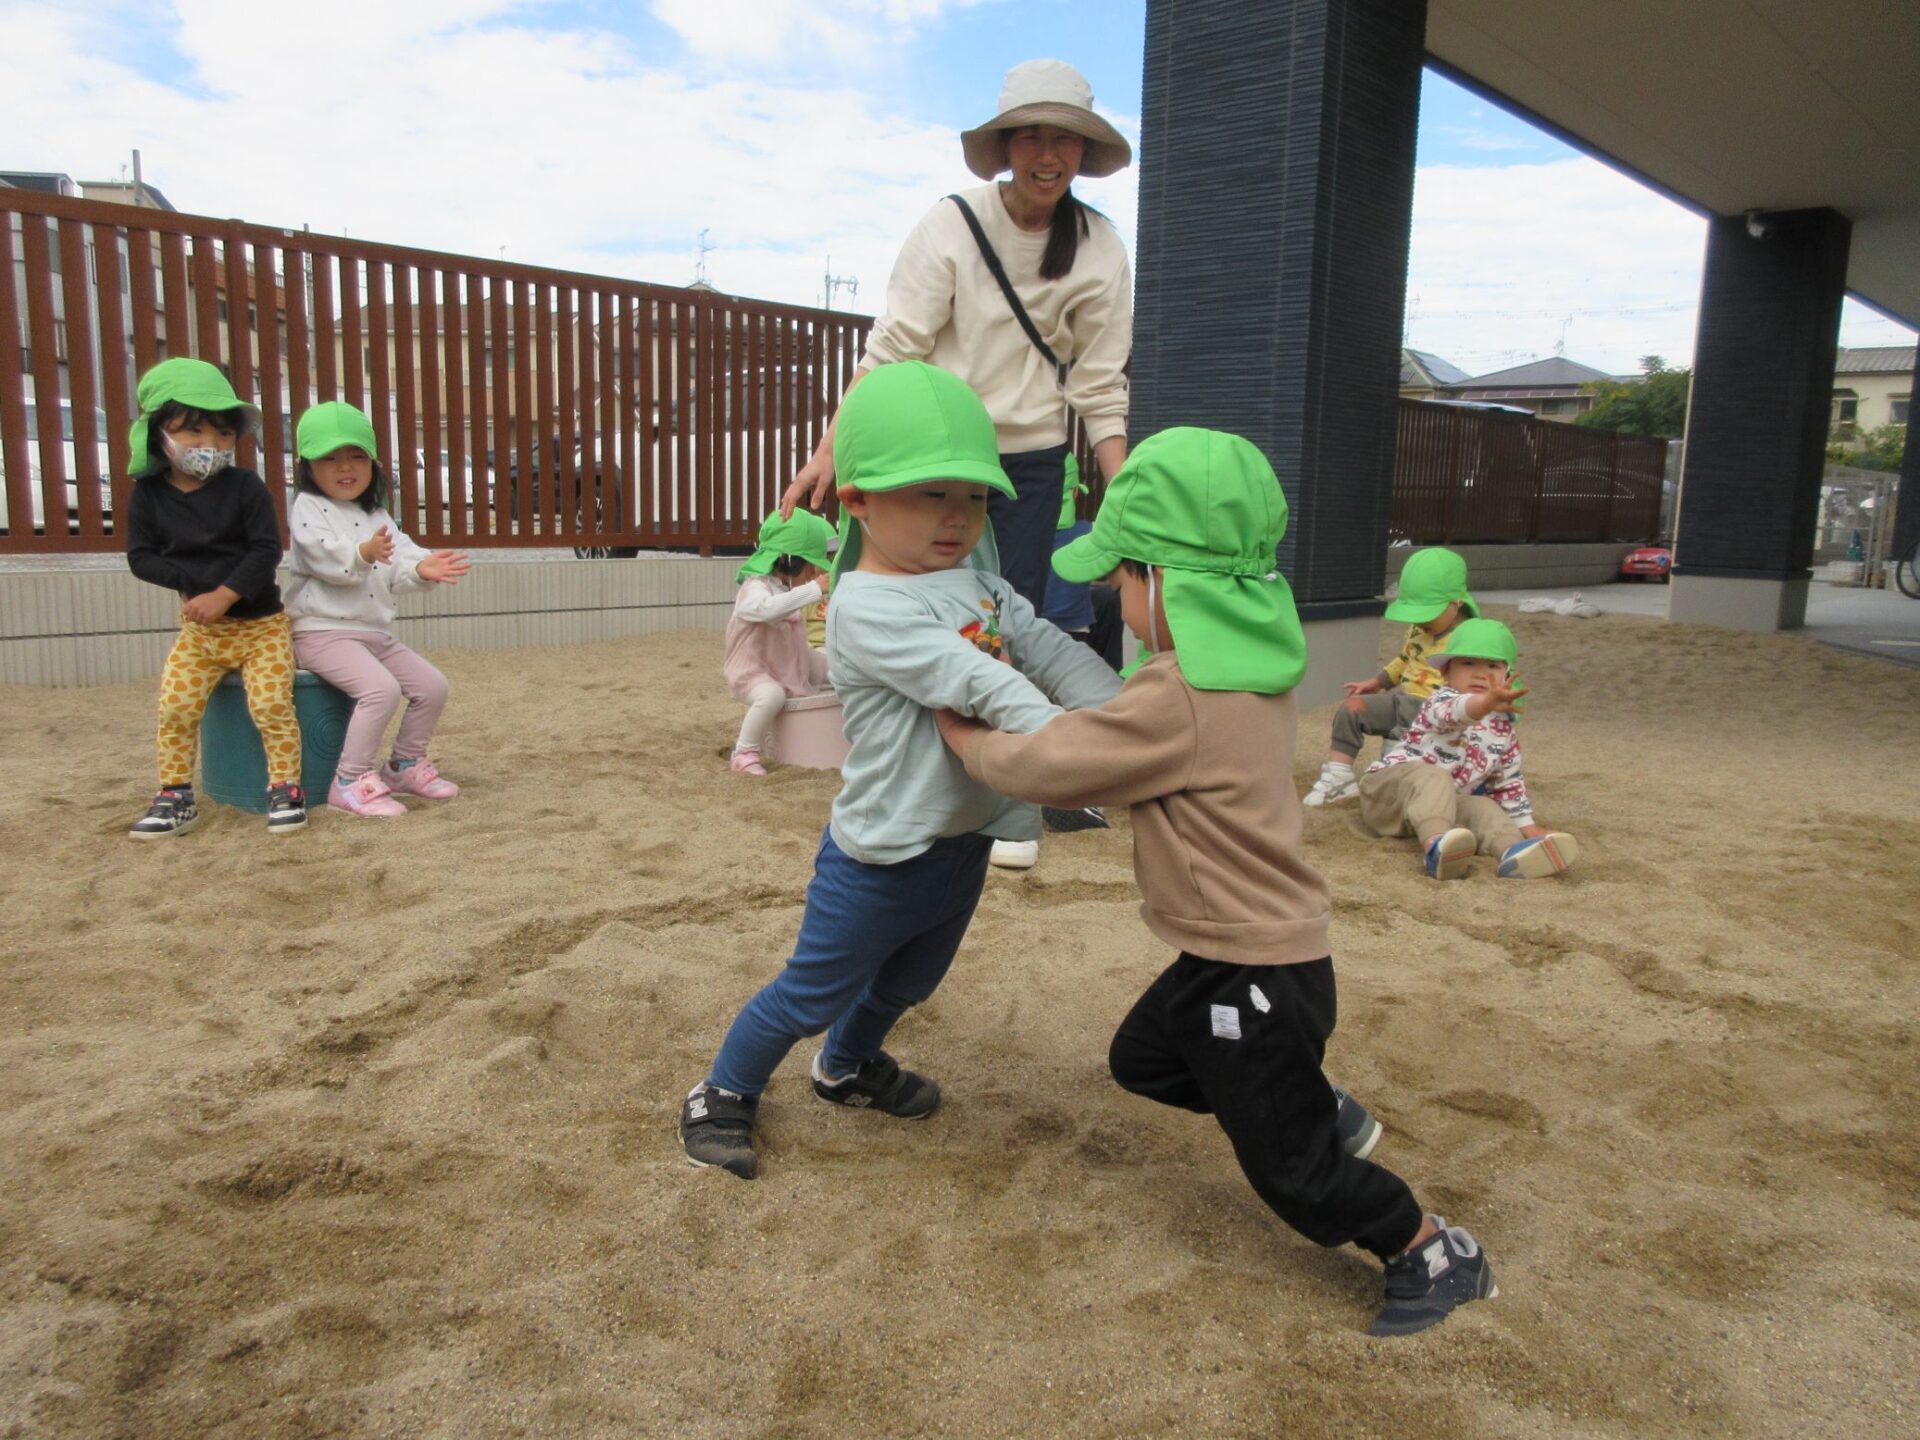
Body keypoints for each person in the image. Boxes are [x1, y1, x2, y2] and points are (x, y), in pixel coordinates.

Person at [933, 428, 1497, 1337]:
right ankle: (1305, 1101)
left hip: (1255, 969)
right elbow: (1131, 721)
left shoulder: (1181, 696)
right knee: (1145, 1059)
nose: (1115, 599)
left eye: (1123, 580)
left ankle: (1427, 1248)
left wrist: (965, 733)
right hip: (1240, 951)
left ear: (1165, 582)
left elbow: (1053, 767)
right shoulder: (1246, 666)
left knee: (1293, 1171)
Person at [678, 361, 1122, 1181]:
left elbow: (1051, 651)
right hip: (881, 852)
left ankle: (844, 1067)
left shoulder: (982, 585)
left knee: (909, 982)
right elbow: (978, 680)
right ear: (857, 502)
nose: (956, 516)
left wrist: (1125, 713)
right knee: (810, 992)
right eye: (929, 494)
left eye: (974, 496)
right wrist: (1085, 749)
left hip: (964, 839)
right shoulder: (865, 605)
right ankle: (723, 1091)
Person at [781, 59, 1133, 867]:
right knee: (905, 614)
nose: (1048, 154)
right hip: (930, 456)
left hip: (1029, 460)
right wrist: (832, 447)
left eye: (1066, 140)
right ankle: (913, 785)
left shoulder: (1099, 245)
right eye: (1031, 136)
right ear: (1005, 145)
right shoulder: (953, 223)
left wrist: (1127, 496)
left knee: (1006, 621)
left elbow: (1100, 385)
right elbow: (893, 349)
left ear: (1084, 153)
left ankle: (1018, 793)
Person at [123, 358, 306, 839]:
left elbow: (266, 550)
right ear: (160, 433)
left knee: (270, 705)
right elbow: (141, 557)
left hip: (261, 628)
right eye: (194, 430)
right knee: (176, 707)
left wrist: (225, 594)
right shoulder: (149, 495)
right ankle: (175, 796)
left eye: (224, 433)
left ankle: (285, 789)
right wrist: (189, 583)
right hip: (201, 634)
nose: (212, 444)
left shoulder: (245, 486)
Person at [283, 402, 471, 819]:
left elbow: (400, 558)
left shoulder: (375, 513)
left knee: (432, 686)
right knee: (380, 690)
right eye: (329, 458)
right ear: (307, 467)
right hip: (321, 632)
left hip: (373, 635)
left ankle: (404, 765)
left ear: (373, 464)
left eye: (357, 456)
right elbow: (321, 556)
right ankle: (348, 780)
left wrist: (420, 568)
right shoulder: (308, 507)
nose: (344, 467)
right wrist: (362, 553)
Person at [1357, 618, 1578, 881]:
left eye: (1492, 666)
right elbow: (1455, 714)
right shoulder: (1440, 700)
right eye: (1469, 663)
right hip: (1388, 795)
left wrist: (1527, 826)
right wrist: (1485, 703)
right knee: (1434, 776)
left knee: (1483, 806)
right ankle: (1436, 847)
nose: (1481, 674)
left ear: (1506, 675)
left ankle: (1512, 851)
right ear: (1446, 672)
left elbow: (1506, 783)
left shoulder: (1503, 729)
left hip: (1435, 808)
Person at [1304, 547, 1476, 808]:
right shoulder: (1418, 629)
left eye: (1428, 613)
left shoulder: (1471, 636)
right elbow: (1405, 659)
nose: (1420, 621)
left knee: (1401, 742)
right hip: (1404, 700)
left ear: (1457, 603)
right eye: (1415, 613)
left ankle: (1395, 782)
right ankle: (1339, 778)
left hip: (1438, 712)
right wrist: (1378, 682)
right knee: (1352, 708)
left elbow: (1489, 675)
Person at [723, 508, 836, 776]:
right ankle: (744, 752)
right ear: (789, 561)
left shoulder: (784, 588)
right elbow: (768, 610)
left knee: (835, 666)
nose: (813, 573)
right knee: (771, 695)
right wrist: (813, 590)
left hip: (789, 661)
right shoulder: (754, 588)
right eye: (809, 566)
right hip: (754, 670)